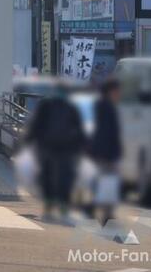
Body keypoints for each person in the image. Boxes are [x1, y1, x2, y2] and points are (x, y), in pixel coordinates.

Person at [25, 85, 86, 222]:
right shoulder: (72, 107)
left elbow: (36, 124)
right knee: (65, 177)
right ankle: (63, 207)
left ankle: (50, 206)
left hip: (47, 146)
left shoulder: (46, 104)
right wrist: (82, 145)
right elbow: (79, 128)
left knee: (48, 176)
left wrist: (28, 140)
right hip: (66, 147)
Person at [89, 78, 122, 224]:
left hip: (101, 151)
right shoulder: (106, 107)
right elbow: (107, 132)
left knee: (103, 182)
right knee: (107, 182)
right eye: (117, 91)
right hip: (104, 152)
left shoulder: (102, 105)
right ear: (111, 91)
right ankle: (105, 213)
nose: (119, 94)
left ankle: (99, 211)